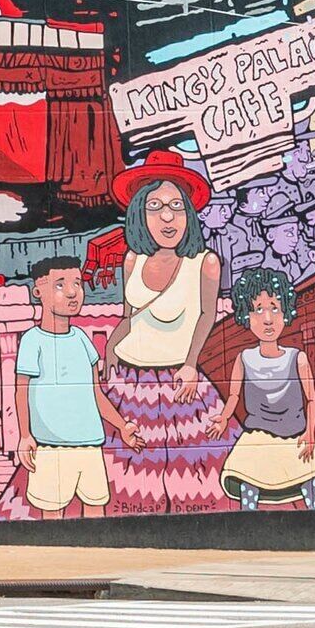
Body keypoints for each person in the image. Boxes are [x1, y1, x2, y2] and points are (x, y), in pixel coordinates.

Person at [100, 158, 236, 511]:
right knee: (124, 480)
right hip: (129, 384)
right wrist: (111, 348)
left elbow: (207, 315)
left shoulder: (204, 262)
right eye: (155, 207)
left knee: (196, 479)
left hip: (180, 383)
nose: (166, 218)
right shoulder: (133, 260)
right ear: (139, 216)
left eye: (177, 206)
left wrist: (191, 364)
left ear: (189, 214)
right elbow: (130, 316)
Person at [14, 255, 127, 518]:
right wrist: (25, 435)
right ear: (38, 291)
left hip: (90, 445)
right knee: (52, 514)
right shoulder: (32, 341)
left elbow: (96, 393)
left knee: (96, 510)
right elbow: (22, 391)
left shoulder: (83, 340)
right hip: (50, 448)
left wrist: (123, 426)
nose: (73, 292)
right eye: (60, 285)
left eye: (78, 283)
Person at [213, 268, 315, 510]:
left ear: (286, 313)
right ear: (246, 315)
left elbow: (311, 400)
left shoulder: (297, 358)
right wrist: (223, 419)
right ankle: (247, 531)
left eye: (275, 308)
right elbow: (234, 395)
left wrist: (310, 432)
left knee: (309, 486)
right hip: (257, 438)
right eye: (258, 309)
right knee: (249, 482)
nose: (267, 319)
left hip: (295, 437)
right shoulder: (244, 358)